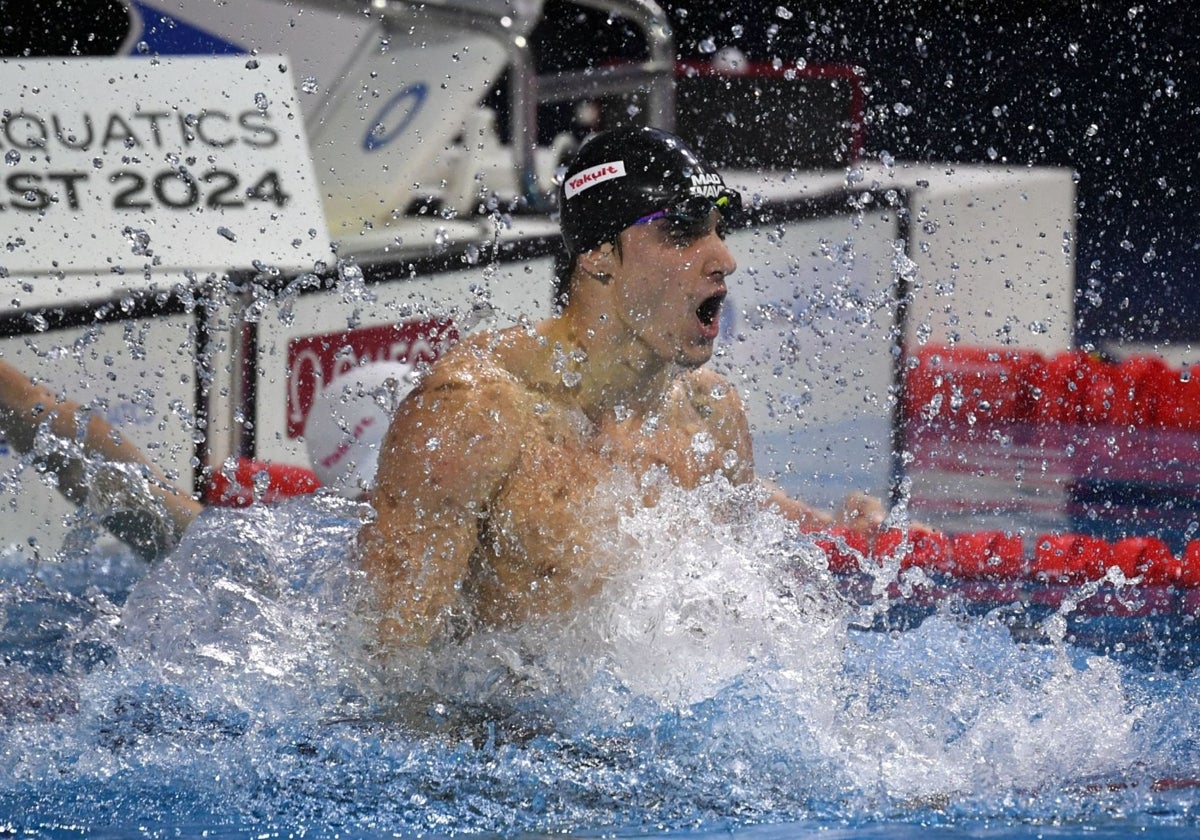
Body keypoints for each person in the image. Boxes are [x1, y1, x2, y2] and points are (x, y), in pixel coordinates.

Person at [358, 126, 885, 650]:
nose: (724, 258)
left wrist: (830, 528)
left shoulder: (709, 411)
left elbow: (732, 511)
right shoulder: (474, 416)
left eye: (719, 229)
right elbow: (391, 670)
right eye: (682, 233)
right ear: (598, 256)